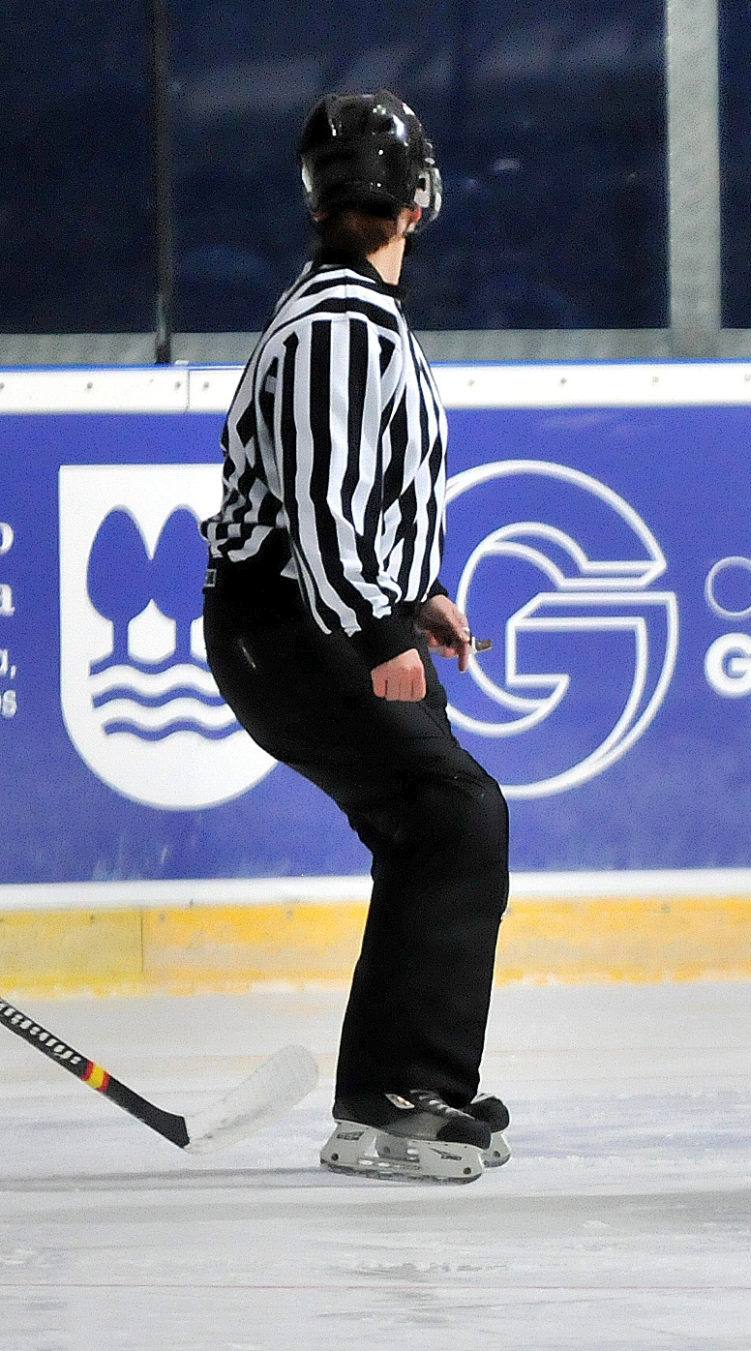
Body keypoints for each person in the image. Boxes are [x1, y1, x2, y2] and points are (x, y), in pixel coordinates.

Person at [200, 90, 511, 1183]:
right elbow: (327, 503)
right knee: (453, 813)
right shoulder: (340, 325)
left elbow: (341, 496)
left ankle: (406, 1081)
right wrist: (380, 628)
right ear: (417, 202)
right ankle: (394, 1097)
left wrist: (411, 595)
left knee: (436, 823)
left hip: (305, 617)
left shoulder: (346, 317)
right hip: (294, 628)